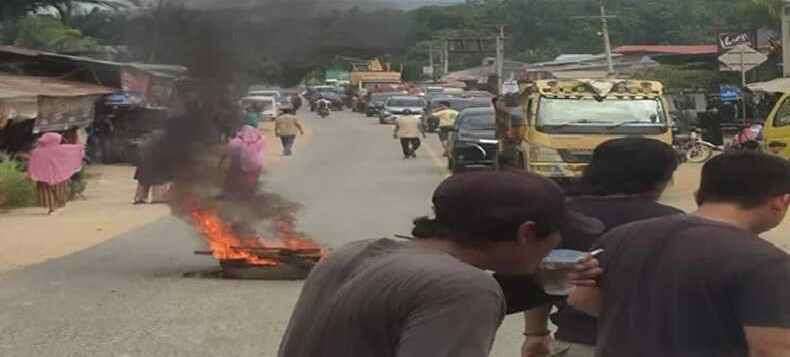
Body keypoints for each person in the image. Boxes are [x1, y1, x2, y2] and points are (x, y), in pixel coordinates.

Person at [278, 171, 604, 357]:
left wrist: (542, 283)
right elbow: (449, 294)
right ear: (527, 233)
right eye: (557, 235)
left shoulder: (353, 254)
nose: (557, 247)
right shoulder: (464, 288)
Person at [568, 152, 790, 357]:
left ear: (698, 195)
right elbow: (770, 350)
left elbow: (582, 299)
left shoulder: (622, 236)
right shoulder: (766, 263)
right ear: (781, 201)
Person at [518, 138, 683, 357]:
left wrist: (535, 333)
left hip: (576, 341)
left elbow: (540, 279)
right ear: (658, 179)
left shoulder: (560, 215)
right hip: (649, 345)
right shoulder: (671, 221)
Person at [27, 133, 84, 216]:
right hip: (61, 175)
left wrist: (31, 174)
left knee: (47, 193)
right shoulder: (64, 149)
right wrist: (77, 134)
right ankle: (56, 207)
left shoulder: (36, 152)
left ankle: (54, 207)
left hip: (44, 176)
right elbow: (79, 148)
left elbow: (32, 164)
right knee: (60, 191)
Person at [221, 125, 266, 199]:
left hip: (238, 164)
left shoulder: (236, 141)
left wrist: (222, 161)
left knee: (233, 176)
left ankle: (230, 192)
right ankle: (249, 194)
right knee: (252, 180)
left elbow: (228, 152)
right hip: (255, 164)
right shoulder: (261, 140)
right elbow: (262, 152)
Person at [133, 131, 171, 204]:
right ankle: (158, 197)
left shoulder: (147, 142)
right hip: (155, 164)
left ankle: (140, 197)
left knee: (144, 179)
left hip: (145, 163)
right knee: (160, 178)